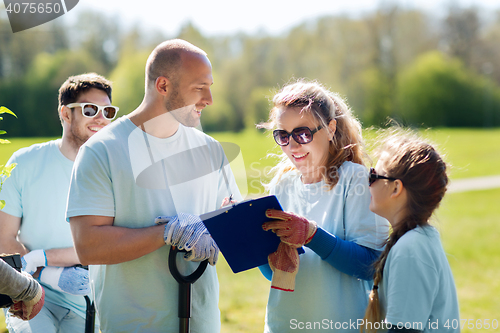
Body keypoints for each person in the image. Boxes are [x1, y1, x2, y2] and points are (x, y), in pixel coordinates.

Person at [66, 39, 241, 333]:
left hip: (201, 320)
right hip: (132, 323)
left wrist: (231, 225)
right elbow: (87, 246)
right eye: (199, 88)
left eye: (210, 86)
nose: (209, 98)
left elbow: (230, 224)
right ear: (163, 86)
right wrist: (167, 233)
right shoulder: (103, 150)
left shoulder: (210, 150)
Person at [257, 79, 390, 332]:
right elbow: (278, 276)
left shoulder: (356, 179)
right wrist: (249, 240)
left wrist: (312, 235)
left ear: (330, 129)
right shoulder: (282, 185)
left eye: (303, 134)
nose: (293, 145)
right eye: (282, 136)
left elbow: (372, 266)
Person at [0, 72, 116, 333]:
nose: (101, 118)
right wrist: (46, 274)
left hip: (90, 304)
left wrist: (42, 259)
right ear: (65, 114)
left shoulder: (116, 173)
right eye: (90, 109)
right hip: (30, 296)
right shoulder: (24, 163)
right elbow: (3, 238)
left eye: (108, 111)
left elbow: (104, 244)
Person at [361, 132, 460, 333]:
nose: (368, 183)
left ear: (396, 188)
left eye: (373, 176)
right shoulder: (417, 240)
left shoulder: (410, 249)